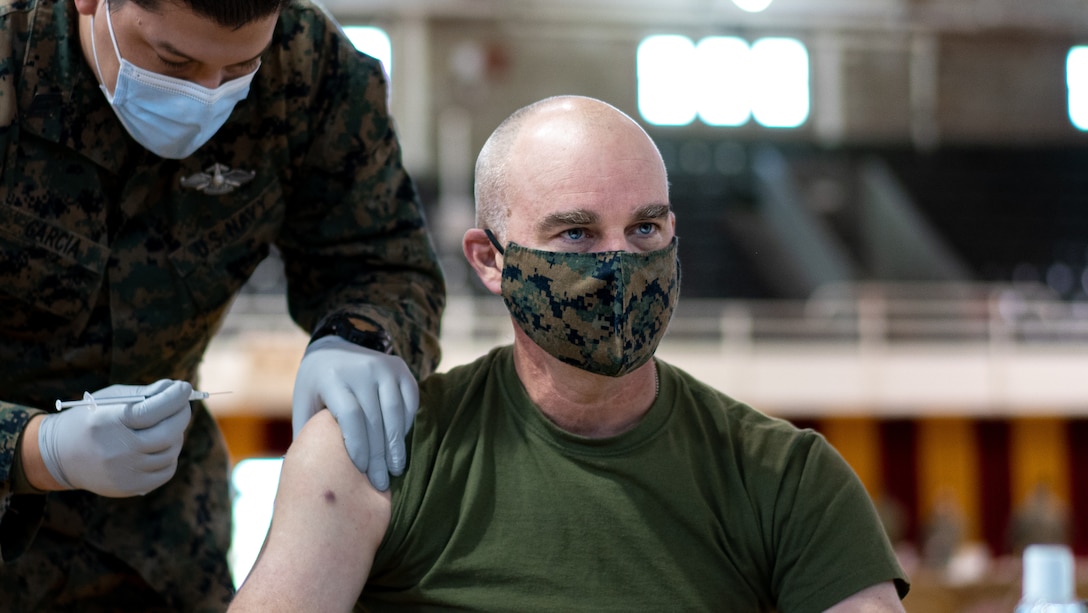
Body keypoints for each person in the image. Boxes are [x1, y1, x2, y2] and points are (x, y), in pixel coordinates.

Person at [231, 95, 910, 612]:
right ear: (489, 261)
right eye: (577, 234)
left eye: (646, 228)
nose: (619, 261)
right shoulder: (375, 455)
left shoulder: (791, 482)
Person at [0, 0, 444, 610]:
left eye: (240, 68)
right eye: (173, 60)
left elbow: (383, 260)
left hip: (161, 539)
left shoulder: (307, 68)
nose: (206, 96)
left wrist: (361, 334)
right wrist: (35, 449)